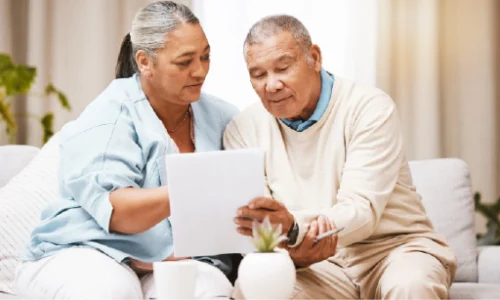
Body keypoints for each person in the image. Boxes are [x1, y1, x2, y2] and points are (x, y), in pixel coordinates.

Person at [15, 2, 238, 299]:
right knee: (112, 291)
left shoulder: (223, 118)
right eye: (185, 62)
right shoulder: (110, 115)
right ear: (145, 62)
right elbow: (118, 212)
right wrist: (196, 188)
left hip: (174, 260)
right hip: (90, 249)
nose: (200, 71)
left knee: (207, 289)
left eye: (206, 57)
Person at [226, 15, 457, 300]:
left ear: (314, 57)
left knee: (411, 287)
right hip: (316, 266)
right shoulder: (242, 129)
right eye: (258, 75)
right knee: (255, 291)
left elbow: (361, 209)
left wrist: (294, 228)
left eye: (283, 68)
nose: (271, 84)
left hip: (394, 249)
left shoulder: (369, 107)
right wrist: (293, 248)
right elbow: (258, 227)